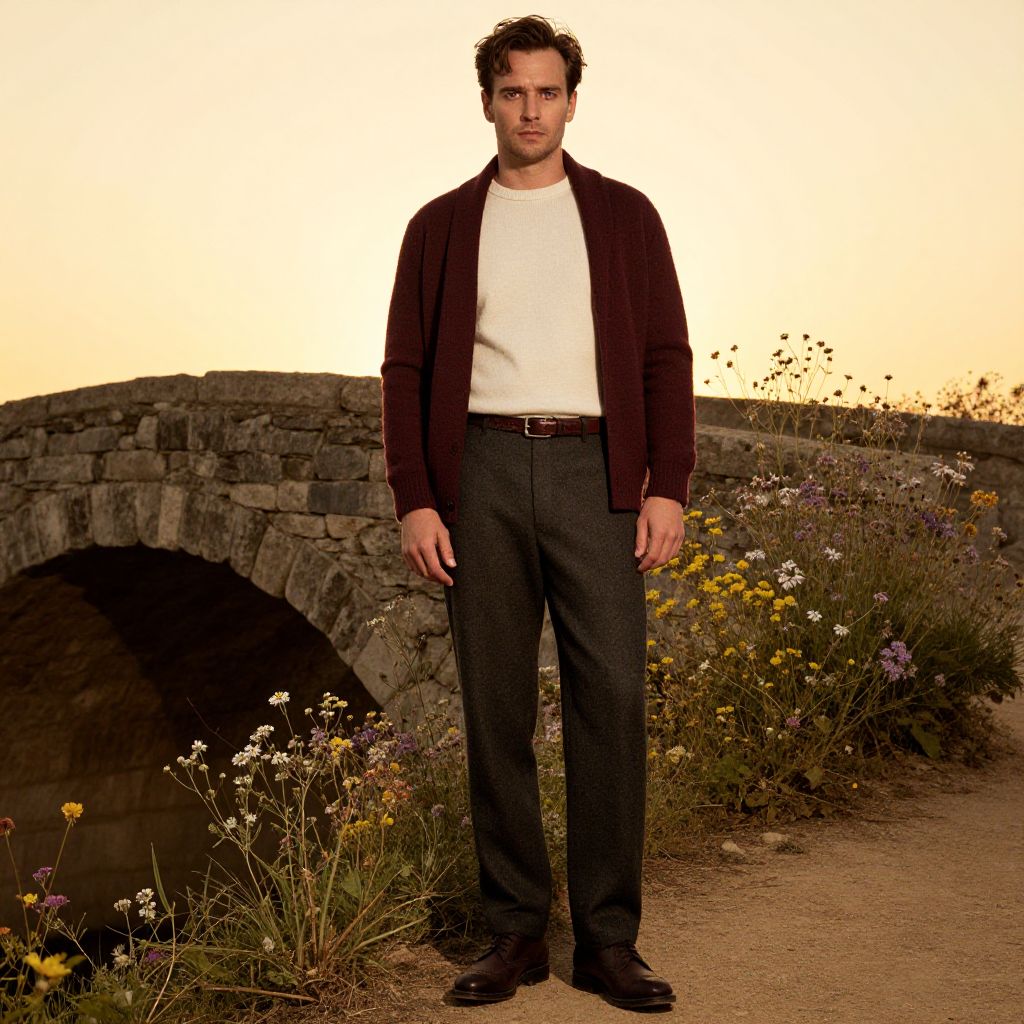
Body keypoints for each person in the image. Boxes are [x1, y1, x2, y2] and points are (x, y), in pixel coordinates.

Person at [380, 14, 695, 1012]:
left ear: (570, 100)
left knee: (610, 704)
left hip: (596, 472)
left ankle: (607, 941)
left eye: (546, 91)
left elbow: (665, 359)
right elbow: (405, 368)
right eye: (511, 91)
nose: (529, 109)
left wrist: (667, 485)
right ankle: (514, 930)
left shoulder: (624, 216)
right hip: (475, 473)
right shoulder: (437, 226)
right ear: (486, 101)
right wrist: (417, 498)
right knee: (496, 709)